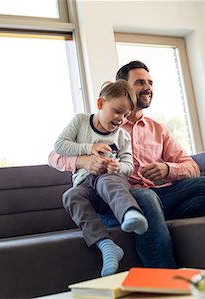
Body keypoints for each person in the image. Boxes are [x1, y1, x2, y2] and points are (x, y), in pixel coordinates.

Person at [49, 60, 205, 268]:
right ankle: (164, 277)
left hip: (159, 193)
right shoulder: (104, 122)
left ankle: (153, 218)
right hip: (119, 197)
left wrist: (167, 169)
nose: (148, 88)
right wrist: (84, 160)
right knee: (145, 198)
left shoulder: (158, 129)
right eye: (140, 82)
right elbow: (54, 155)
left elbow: (192, 167)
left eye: (150, 82)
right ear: (123, 88)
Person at [54, 80, 148, 277]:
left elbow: (129, 166)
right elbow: (60, 146)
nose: (121, 119)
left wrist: (117, 167)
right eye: (117, 111)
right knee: (70, 196)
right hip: (85, 185)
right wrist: (89, 149)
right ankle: (106, 245)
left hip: (110, 181)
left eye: (125, 115)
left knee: (106, 180)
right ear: (100, 103)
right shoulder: (80, 122)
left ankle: (130, 214)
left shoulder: (122, 136)